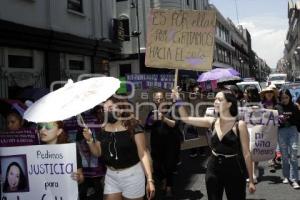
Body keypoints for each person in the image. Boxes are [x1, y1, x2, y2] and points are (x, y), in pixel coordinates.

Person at [172, 89, 256, 200]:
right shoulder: (211, 121)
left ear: (229, 104)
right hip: (213, 167)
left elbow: (246, 154)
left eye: (220, 99)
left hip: (234, 168)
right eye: (215, 99)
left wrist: (251, 180)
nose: (215, 101)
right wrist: (178, 99)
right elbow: (186, 119)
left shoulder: (239, 125)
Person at [83, 96, 155, 200]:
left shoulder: (133, 128)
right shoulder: (103, 128)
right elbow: (97, 152)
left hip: (132, 176)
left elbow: (143, 155)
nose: (107, 112)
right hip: (111, 176)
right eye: (105, 109)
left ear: (121, 110)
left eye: (111, 108)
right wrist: (89, 140)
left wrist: (149, 180)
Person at [145, 91, 180, 197]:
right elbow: (147, 128)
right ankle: (163, 179)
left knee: (169, 166)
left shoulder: (171, 109)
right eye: (157, 99)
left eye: (161, 99)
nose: (159, 101)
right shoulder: (152, 112)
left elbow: (176, 124)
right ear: (154, 101)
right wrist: (151, 121)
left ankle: (169, 187)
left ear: (165, 99)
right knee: (156, 166)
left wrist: (164, 119)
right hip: (156, 144)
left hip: (171, 144)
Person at [37, 121, 85, 197]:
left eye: (48, 126)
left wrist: (78, 178)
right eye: (40, 126)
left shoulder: (69, 151)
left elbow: (81, 177)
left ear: (59, 131)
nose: (42, 130)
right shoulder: (35, 152)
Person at [276, 89, 300, 189]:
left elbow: (298, 120)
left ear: (290, 97)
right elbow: (271, 119)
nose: (285, 99)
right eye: (282, 98)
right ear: (280, 98)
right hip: (281, 132)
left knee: (294, 154)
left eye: (286, 97)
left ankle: (294, 179)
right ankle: (286, 176)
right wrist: (280, 119)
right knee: (285, 156)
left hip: (293, 130)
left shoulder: (294, 107)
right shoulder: (277, 107)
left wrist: (290, 117)